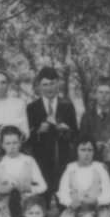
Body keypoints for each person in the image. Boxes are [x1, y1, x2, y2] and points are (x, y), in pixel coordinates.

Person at [0, 125, 48, 217]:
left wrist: (28, 188)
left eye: (15, 143)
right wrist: (2, 190)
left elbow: (43, 186)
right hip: (5, 206)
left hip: (26, 204)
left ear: (20, 143)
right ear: (2, 145)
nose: (12, 147)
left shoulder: (28, 160)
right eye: (8, 143)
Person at [27, 66, 79, 198]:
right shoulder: (32, 107)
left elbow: (76, 134)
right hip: (42, 161)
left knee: (64, 198)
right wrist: (37, 131)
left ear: (58, 84)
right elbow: (26, 136)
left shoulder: (67, 105)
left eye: (52, 84)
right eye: (45, 84)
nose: (49, 88)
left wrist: (66, 130)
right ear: (39, 86)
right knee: (42, 199)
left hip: (63, 160)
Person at [57, 137, 110, 217]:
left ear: (94, 152)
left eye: (90, 150)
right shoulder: (70, 168)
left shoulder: (100, 168)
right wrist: (71, 202)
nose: (86, 153)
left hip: (98, 209)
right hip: (76, 209)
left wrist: (97, 200)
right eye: (83, 150)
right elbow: (62, 193)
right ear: (76, 151)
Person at [78, 76, 110, 186]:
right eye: (100, 92)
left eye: (107, 93)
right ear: (95, 95)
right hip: (93, 163)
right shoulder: (87, 116)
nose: (104, 96)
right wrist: (93, 145)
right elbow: (81, 139)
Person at [0, 69, 29, 160]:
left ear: (8, 84)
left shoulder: (19, 104)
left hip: (16, 151)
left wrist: (14, 140)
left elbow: (26, 133)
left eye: (3, 83)